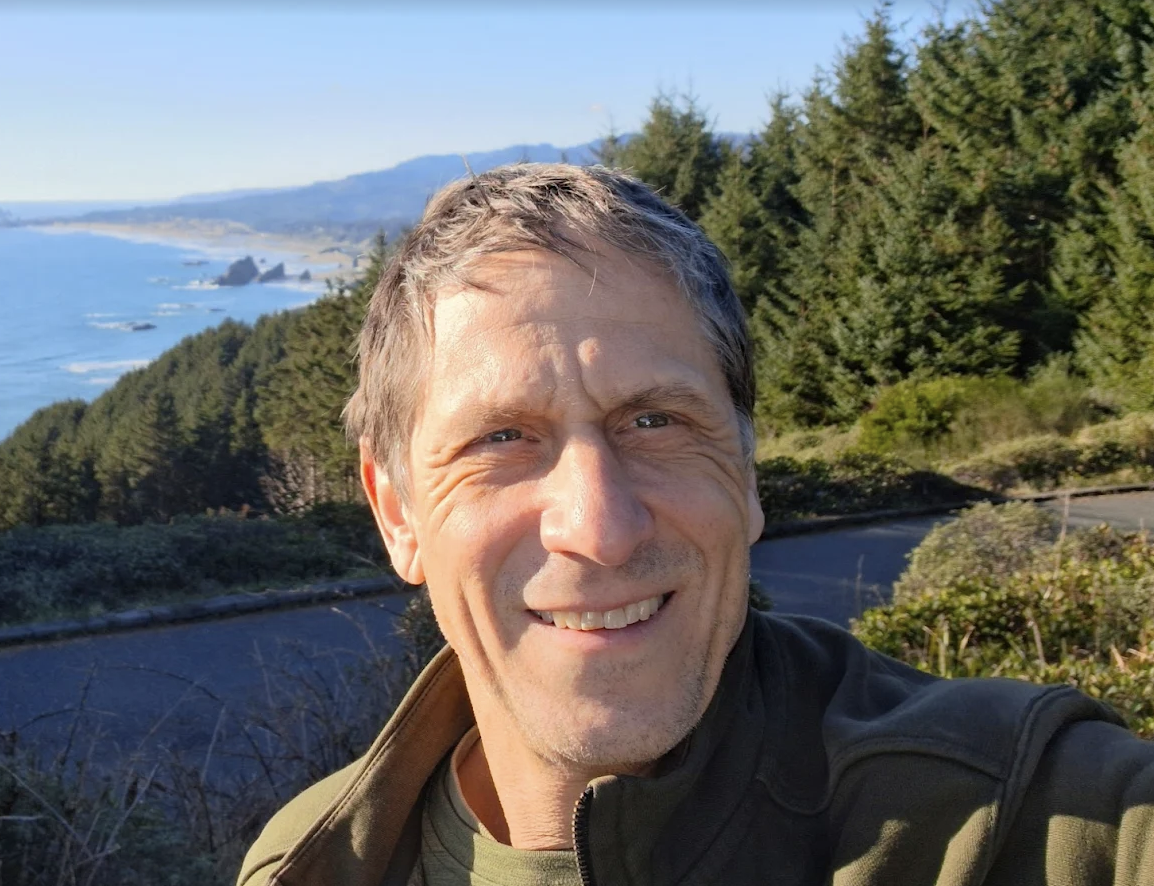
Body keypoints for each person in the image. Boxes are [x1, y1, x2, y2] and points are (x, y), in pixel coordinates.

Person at [238, 164, 1154, 886]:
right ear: (397, 514)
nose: (600, 527)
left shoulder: (1054, 821)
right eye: (502, 438)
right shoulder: (309, 863)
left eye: (654, 422)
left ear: (747, 474)